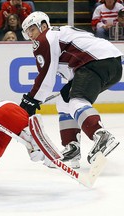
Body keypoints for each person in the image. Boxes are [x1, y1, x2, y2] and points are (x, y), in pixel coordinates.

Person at [20, 11, 122, 168]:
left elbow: (46, 76)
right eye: (27, 33)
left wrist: (32, 99)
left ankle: (101, 136)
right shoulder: (59, 34)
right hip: (111, 64)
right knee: (64, 101)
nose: (31, 35)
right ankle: (71, 149)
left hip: (95, 62)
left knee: (77, 100)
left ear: (43, 25)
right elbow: (69, 70)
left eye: (32, 29)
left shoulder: (45, 38)